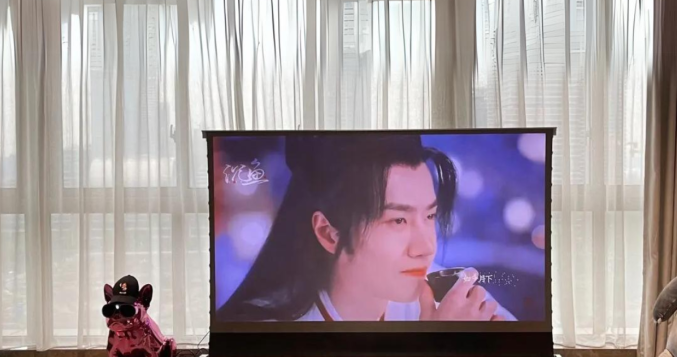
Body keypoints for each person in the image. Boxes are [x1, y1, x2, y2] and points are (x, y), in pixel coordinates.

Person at [217, 133, 513, 322]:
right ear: (329, 233)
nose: (426, 247)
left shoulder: (444, 298)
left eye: (430, 216)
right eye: (398, 220)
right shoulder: (268, 331)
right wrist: (438, 348)